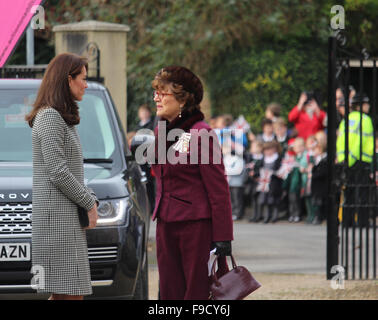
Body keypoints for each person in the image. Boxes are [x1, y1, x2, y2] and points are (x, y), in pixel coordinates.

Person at [151, 66, 233, 300]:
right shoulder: (161, 131)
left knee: (195, 293)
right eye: (156, 92)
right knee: (169, 292)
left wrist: (223, 236)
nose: (156, 98)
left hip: (195, 227)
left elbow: (219, 190)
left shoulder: (202, 133)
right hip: (165, 225)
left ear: (183, 99)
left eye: (162, 93)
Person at [25, 53, 99, 300]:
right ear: (68, 80)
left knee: (67, 295)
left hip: (65, 222)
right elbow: (57, 171)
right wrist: (89, 203)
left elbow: (70, 172)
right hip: (55, 225)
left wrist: (90, 197)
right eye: (83, 78)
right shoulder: (49, 117)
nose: (86, 84)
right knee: (70, 295)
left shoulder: (61, 119)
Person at [336, 93, 374, 228]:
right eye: (367, 103)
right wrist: (353, 159)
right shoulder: (365, 120)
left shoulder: (347, 119)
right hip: (360, 160)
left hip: (346, 161)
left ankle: (347, 222)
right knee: (362, 192)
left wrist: (343, 160)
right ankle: (363, 222)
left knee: (349, 193)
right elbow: (360, 142)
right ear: (361, 105)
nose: (368, 106)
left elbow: (340, 141)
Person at [255, 141, 283, 223]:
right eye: (265, 150)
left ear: (274, 149)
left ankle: (275, 216)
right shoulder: (263, 159)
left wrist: (273, 173)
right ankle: (267, 216)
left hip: (274, 182)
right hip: (264, 182)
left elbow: (280, 170)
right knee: (265, 199)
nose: (266, 152)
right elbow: (259, 168)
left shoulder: (278, 158)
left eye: (268, 150)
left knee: (274, 200)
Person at [245, 140, 264, 222]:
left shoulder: (263, 158)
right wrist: (249, 172)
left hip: (259, 180)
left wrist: (256, 173)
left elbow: (262, 168)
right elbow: (248, 167)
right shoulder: (251, 157)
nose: (251, 149)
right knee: (253, 198)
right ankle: (254, 215)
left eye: (254, 147)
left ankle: (260, 215)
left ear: (260, 148)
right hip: (252, 181)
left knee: (259, 198)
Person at [311, 140, 328, 225]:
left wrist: (313, 175)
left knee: (321, 202)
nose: (314, 152)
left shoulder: (325, 160)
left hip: (322, 185)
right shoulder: (317, 159)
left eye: (316, 150)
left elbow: (323, 172)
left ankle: (321, 217)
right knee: (317, 203)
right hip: (317, 185)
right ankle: (317, 216)